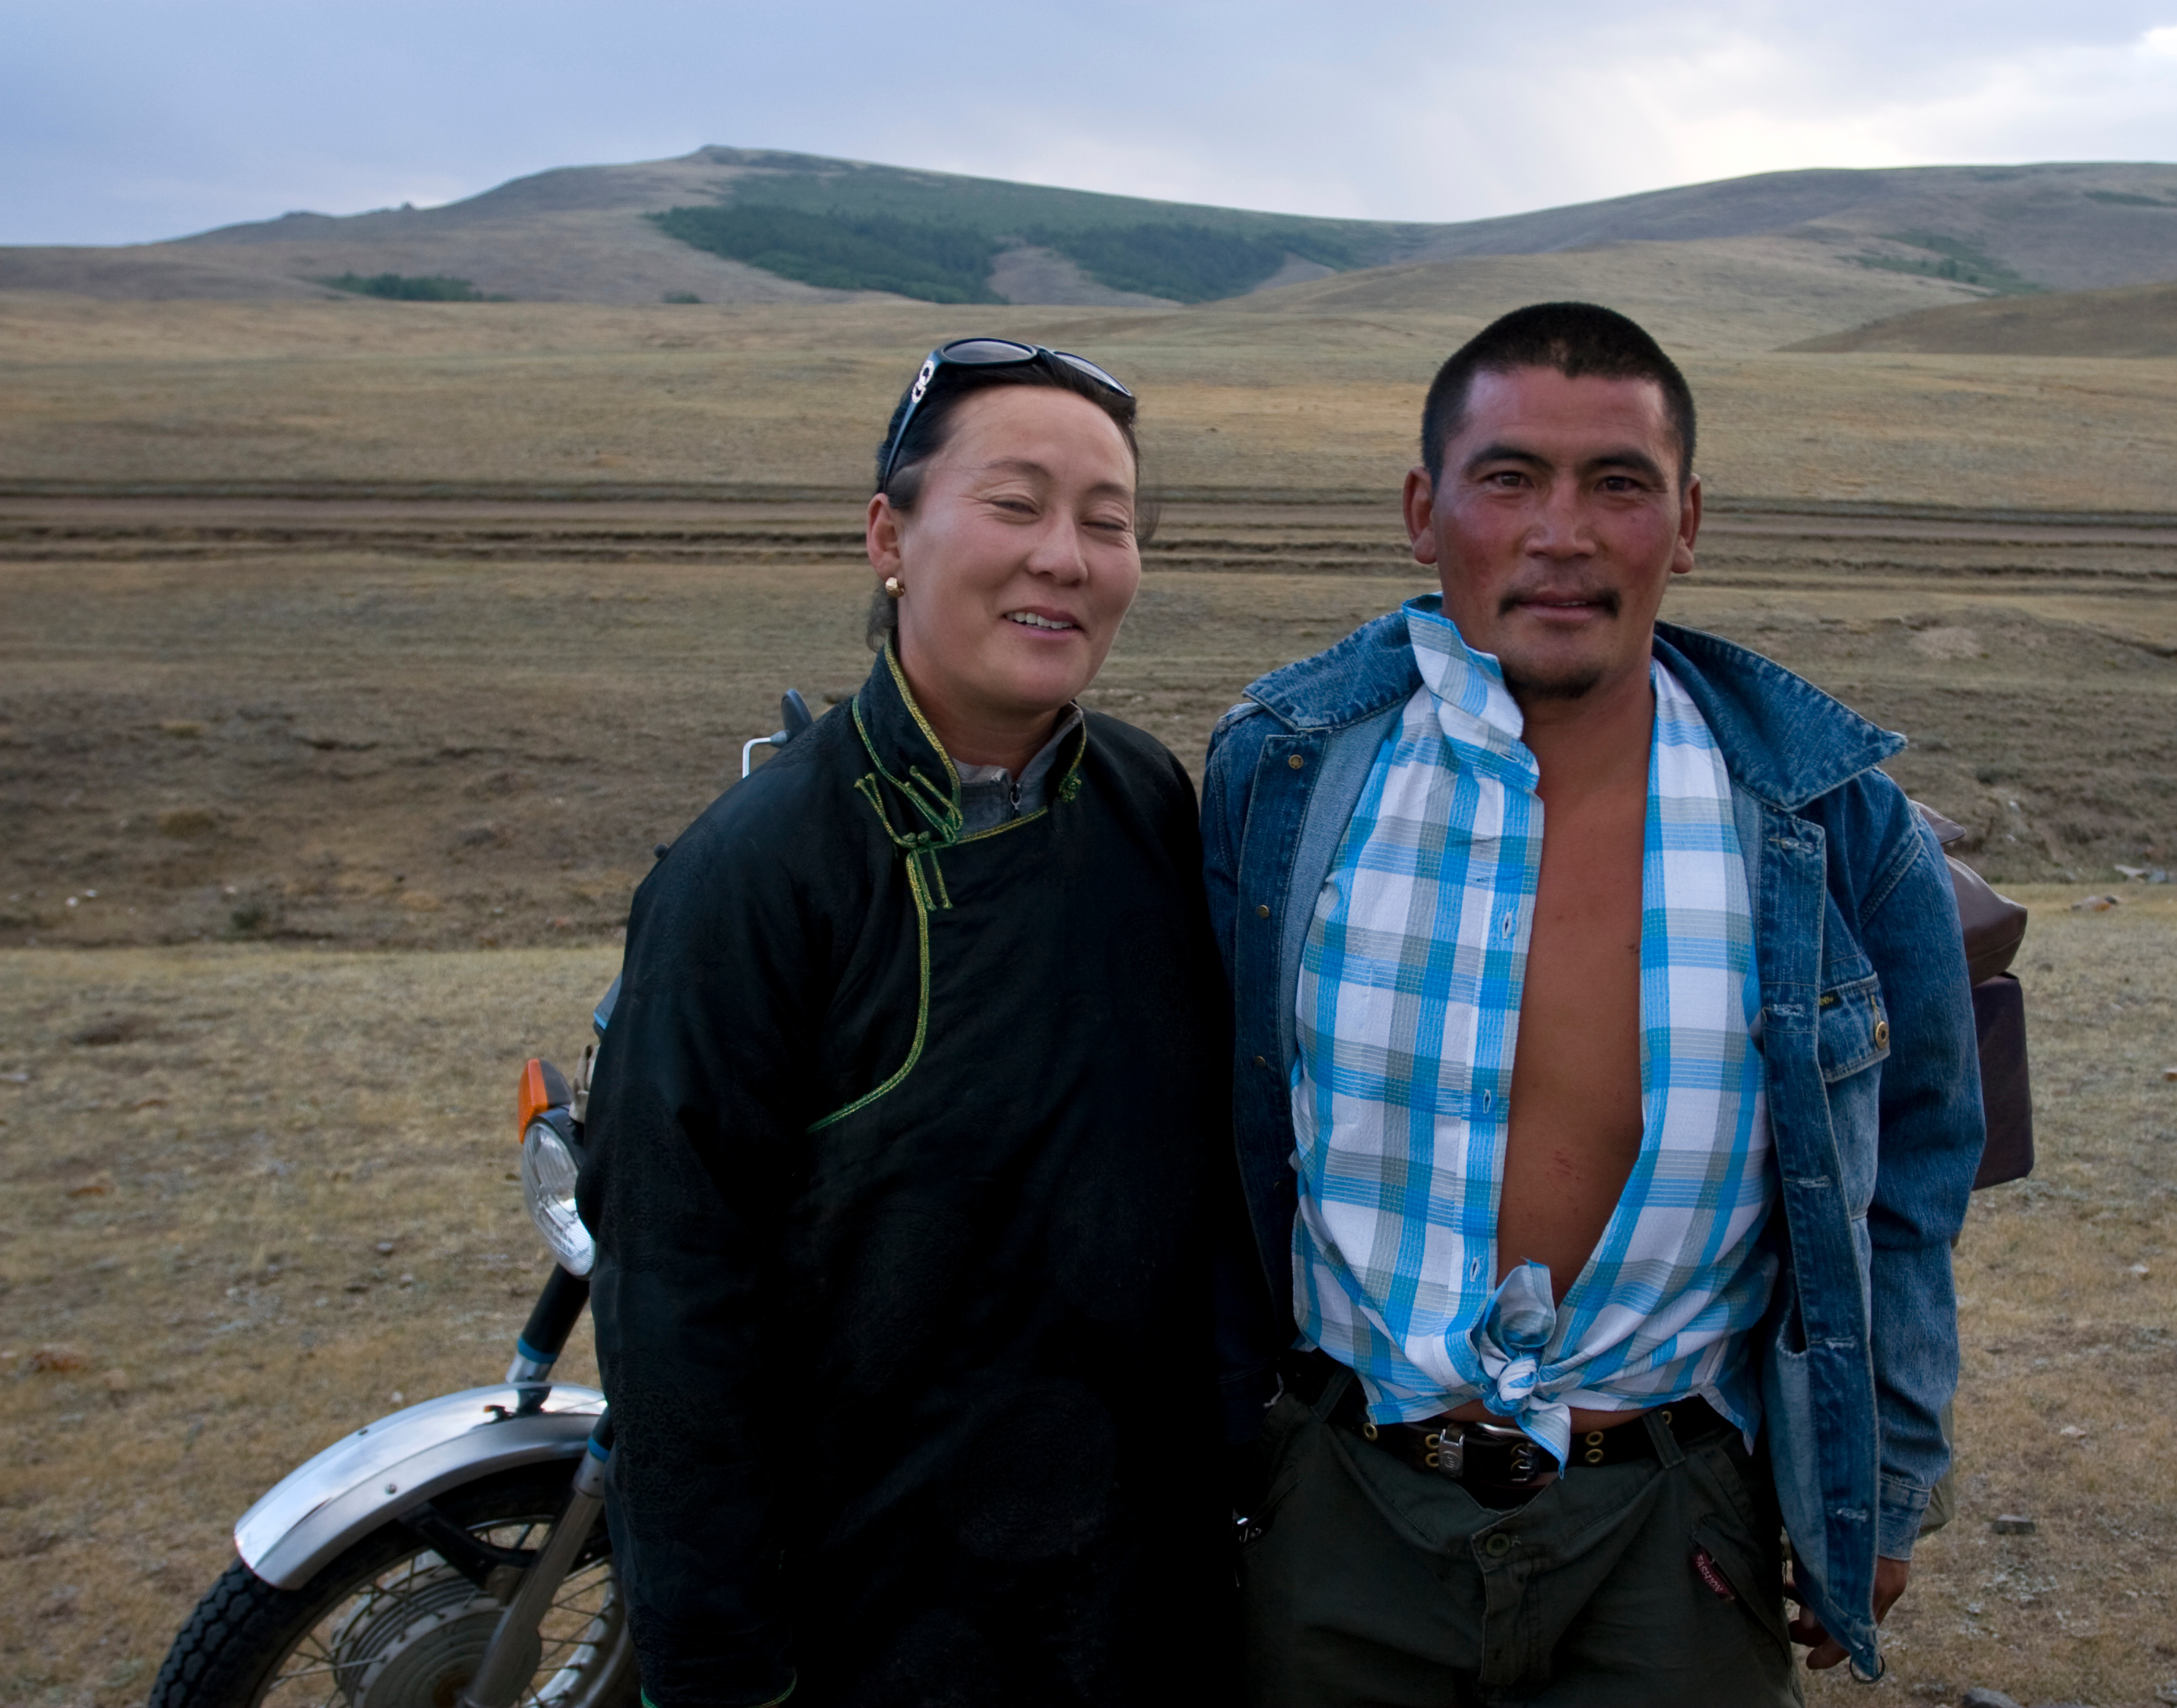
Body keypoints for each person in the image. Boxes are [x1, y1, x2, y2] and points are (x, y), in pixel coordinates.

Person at [1201, 303, 1984, 1704]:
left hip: (1671, 1532)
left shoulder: (1832, 825)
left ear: (1683, 523)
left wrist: (1888, 1478)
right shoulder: (1284, 779)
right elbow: (1210, 1133)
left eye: (1616, 484)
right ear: (1421, 508)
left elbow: (1913, 1170)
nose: (1562, 530)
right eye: (1509, 478)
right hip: (1340, 1513)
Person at [583, 339, 1237, 1707]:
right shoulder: (754, 877)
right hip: (880, 1622)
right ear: (889, 535)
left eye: (1107, 522)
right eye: (1015, 504)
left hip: (1142, 1592)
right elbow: (675, 1317)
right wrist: (717, 1671)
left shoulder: (1143, 800)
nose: (1066, 555)